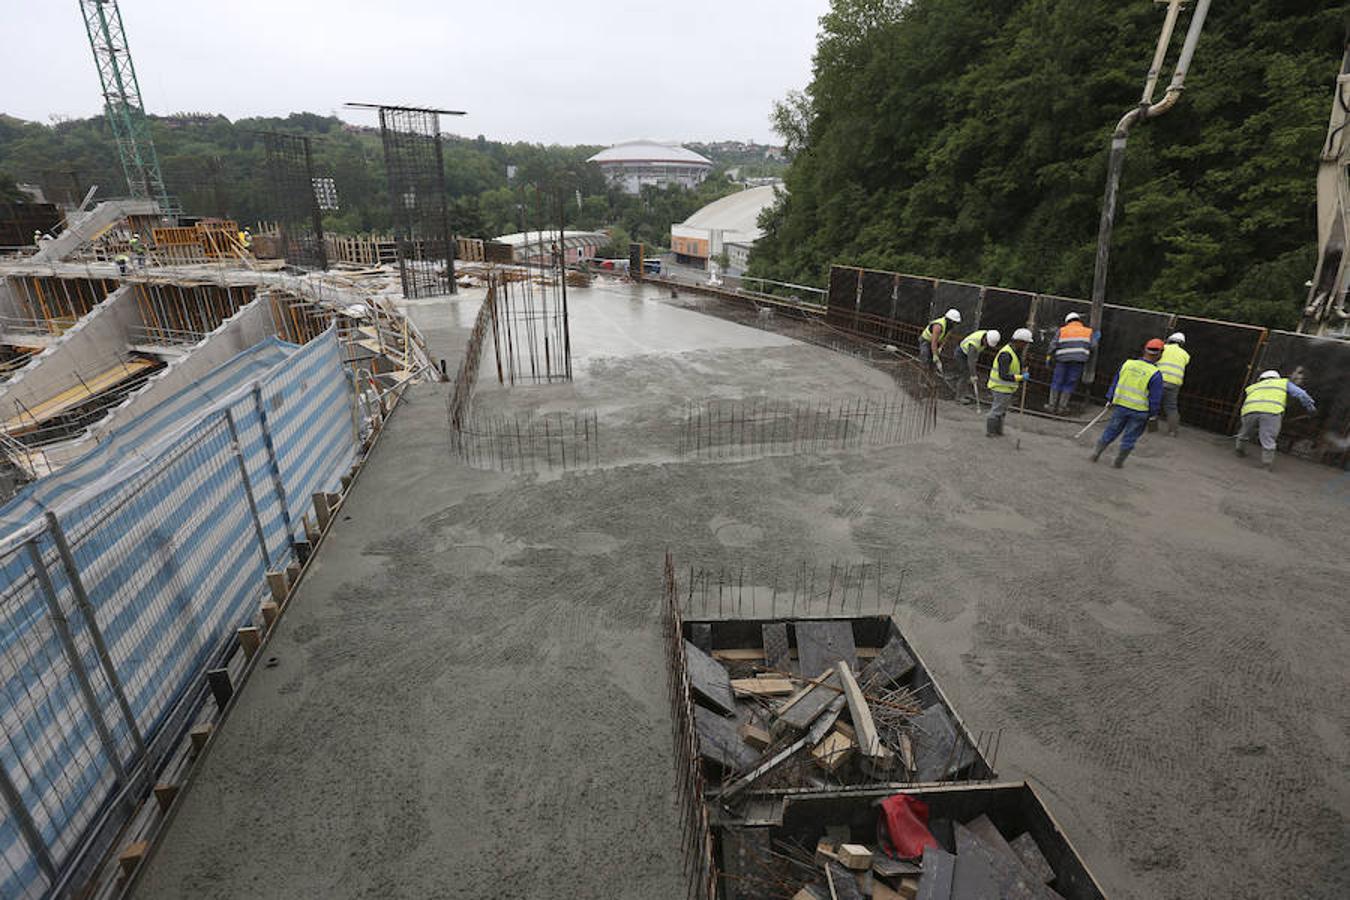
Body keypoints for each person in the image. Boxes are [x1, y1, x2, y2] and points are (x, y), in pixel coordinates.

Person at [1091, 338, 1164, 468]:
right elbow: (1155, 398)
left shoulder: (1128, 364)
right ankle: (1118, 462)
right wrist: (1153, 414)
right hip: (1140, 411)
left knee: (1111, 431)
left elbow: (1116, 382)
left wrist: (1110, 398)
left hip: (1121, 407)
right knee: (1130, 437)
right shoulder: (1155, 374)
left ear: (1145, 350)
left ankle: (1096, 453)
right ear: (1159, 354)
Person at [1235, 370, 1317, 470]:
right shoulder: (1283, 382)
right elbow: (1301, 394)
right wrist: (1311, 408)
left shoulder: (1254, 386)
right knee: (1268, 438)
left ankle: (1239, 450)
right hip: (1271, 411)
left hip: (1250, 410)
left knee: (1245, 432)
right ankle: (1266, 464)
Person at [1045, 312, 1097, 414]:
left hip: (1062, 360)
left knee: (1057, 381)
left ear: (1068, 321)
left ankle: (1051, 406)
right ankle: (1062, 407)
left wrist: (1048, 357)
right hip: (1078, 362)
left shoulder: (1062, 330)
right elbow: (1093, 346)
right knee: (1069, 383)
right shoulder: (1088, 331)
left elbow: (1053, 345)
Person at [985, 328, 1033, 437]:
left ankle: (998, 431)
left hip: (1006, 388)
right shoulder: (1006, 354)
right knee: (997, 410)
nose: (1026, 346)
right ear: (1019, 341)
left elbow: (1015, 365)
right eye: (1025, 343)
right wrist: (1021, 377)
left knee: (1001, 411)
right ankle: (991, 431)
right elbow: (1003, 375)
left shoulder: (1013, 352)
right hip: (1000, 387)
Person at [954, 328, 1000, 404]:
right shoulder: (974, 344)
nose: (987, 345)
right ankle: (958, 398)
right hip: (961, 354)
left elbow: (975, 357)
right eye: (987, 343)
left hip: (968, 354)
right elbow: (970, 361)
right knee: (965, 374)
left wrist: (973, 371)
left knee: (968, 374)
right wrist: (973, 375)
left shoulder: (986, 336)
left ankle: (964, 393)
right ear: (985, 339)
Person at [1157, 332, 1190, 436]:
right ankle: (1172, 431)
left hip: (1158, 380)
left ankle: (1149, 426)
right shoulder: (1185, 354)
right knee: (1171, 407)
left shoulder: (1163, 348)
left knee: (1152, 403)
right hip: (1174, 383)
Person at [918, 308, 962, 382]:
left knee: (933, 364)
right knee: (925, 360)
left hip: (936, 342)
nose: (955, 325)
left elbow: (945, 338)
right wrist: (935, 355)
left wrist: (940, 348)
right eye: (954, 322)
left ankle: (930, 380)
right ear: (950, 321)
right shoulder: (938, 326)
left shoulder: (950, 327)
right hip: (926, 341)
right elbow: (933, 341)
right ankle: (922, 381)